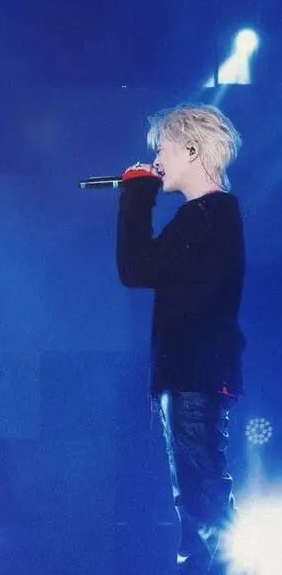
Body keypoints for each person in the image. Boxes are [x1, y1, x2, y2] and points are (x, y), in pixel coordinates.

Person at [116, 103, 245, 575]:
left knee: (201, 497)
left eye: (162, 149)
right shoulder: (209, 215)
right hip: (195, 373)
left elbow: (136, 268)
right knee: (195, 496)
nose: (156, 160)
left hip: (195, 374)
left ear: (191, 150)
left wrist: (136, 196)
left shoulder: (207, 214)